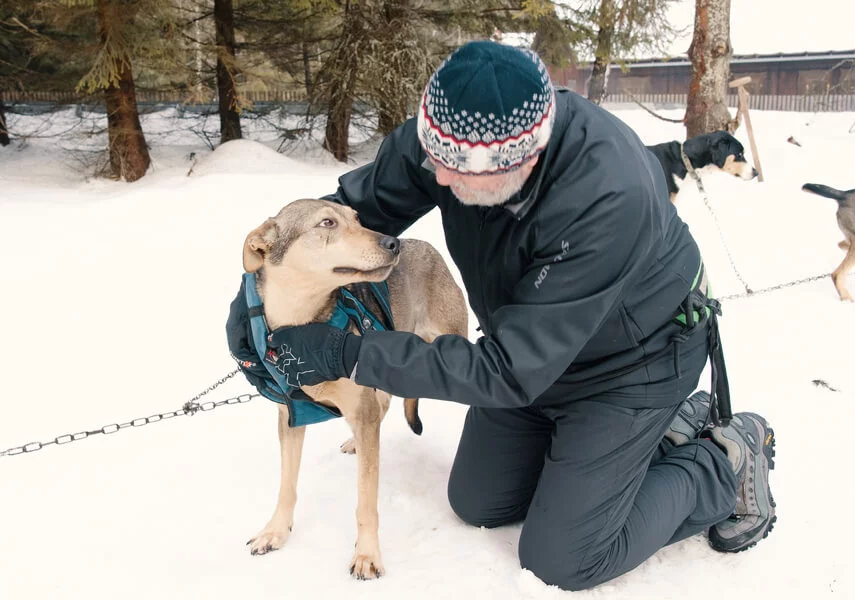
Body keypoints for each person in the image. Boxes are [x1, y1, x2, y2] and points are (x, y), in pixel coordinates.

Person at [225, 40, 776, 591]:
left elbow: (509, 371)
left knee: (563, 558)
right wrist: (263, 289)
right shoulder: (450, 135)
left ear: (525, 159)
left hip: (632, 363)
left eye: (457, 173)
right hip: (530, 344)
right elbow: (343, 216)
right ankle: (621, 458)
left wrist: (349, 353)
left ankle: (721, 462)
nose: (436, 180)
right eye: (433, 158)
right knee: (478, 502)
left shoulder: (608, 193)